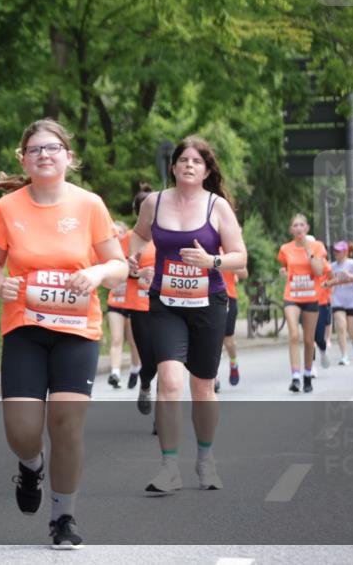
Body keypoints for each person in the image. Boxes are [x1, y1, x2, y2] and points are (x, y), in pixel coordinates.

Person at [0, 119, 127, 549]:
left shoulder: (90, 205)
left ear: (67, 156)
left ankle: (63, 517)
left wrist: (97, 271)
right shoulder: (9, 208)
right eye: (34, 149)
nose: (44, 154)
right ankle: (30, 464)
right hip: (25, 326)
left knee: (66, 425)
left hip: (78, 330)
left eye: (52, 147)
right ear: (23, 160)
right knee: (22, 430)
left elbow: (119, 266)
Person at [129, 136, 247, 494]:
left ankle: (205, 460)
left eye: (197, 161)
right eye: (184, 160)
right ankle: (168, 468)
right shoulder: (154, 202)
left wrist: (211, 261)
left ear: (207, 169)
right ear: (174, 166)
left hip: (208, 304)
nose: (190, 165)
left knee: (202, 388)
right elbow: (137, 236)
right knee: (169, 381)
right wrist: (137, 263)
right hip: (165, 304)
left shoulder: (217, 207)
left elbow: (240, 257)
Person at [277, 217, 327, 391]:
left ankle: (307, 376)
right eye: (295, 225)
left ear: (307, 228)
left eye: (301, 225)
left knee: (308, 340)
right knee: (293, 335)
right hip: (292, 296)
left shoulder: (317, 246)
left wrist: (308, 251)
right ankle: (295, 377)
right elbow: (285, 265)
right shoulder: (285, 248)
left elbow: (319, 271)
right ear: (291, 229)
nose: (298, 228)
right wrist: (284, 271)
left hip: (311, 298)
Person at [125, 185, 157, 417]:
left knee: (167, 362)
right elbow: (118, 267)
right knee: (148, 359)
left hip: (168, 305)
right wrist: (137, 273)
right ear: (138, 211)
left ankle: (163, 417)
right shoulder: (128, 238)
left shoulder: (169, 234)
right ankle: (145, 383)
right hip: (139, 306)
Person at [105, 221, 143, 389]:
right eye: (114, 232)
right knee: (116, 338)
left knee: (134, 341)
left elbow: (140, 275)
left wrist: (137, 273)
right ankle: (115, 373)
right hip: (115, 301)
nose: (117, 235)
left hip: (133, 303)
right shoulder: (107, 253)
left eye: (120, 232)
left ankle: (136, 368)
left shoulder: (134, 252)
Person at [220, 249, 249, 388]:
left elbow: (244, 274)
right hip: (206, 296)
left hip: (228, 297)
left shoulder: (229, 250)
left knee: (228, 340)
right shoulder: (203, 244)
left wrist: (225, 263)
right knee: (211, 340)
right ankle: (213, 377)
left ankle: (233, 363)